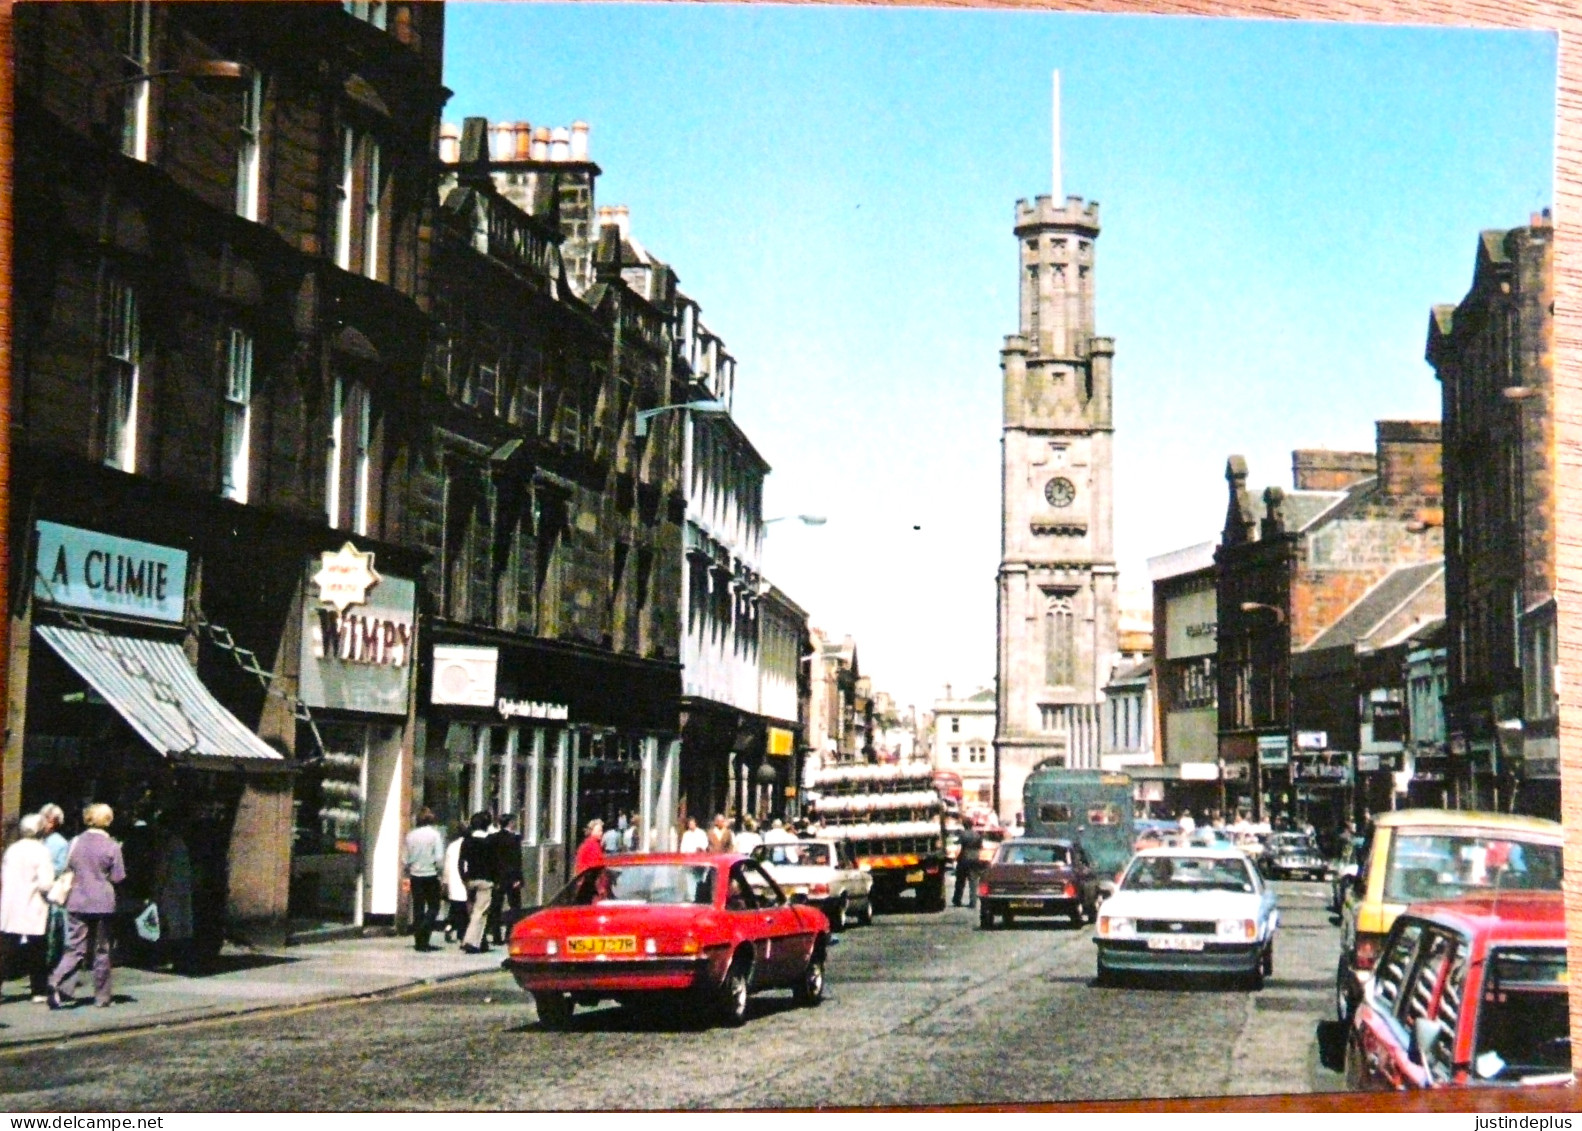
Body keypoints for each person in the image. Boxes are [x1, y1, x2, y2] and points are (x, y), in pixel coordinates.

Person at [49, 802, 126, 1009]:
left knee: (75, 947)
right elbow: (118, 877)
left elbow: (67, 866)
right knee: (102, 950)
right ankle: (102, 997)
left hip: (77, 899)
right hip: (102, 902)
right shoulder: (112, 845)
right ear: (108, 820)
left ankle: (59, 984)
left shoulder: (75, 842)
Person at [1, 814, 55, 1002]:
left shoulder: (12, 850)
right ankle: (38, 991)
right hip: (33, 906)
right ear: (40, 830)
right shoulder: (41, 851)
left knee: (5, 949)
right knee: (37, 950)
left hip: (10, 905)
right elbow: (46, 884)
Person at [403, 808, 446, 952]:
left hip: (415, 876)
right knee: (434, 907)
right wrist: (441, 873)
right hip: (430, 875)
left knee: (418, 908)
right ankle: (424, 932)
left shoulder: (410, 835)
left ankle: (419, 942)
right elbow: (439, 858)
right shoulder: (435, 835)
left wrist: (408, 871)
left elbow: (405, 858)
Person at [457, 811, 497, 954]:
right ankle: (470, 941)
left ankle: (480, 941)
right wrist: (496, 880)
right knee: (480, 912)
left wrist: (463, 878)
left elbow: (461, 862)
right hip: (486, 880)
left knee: (472, 911)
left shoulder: (467, 841)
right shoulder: (491, 841)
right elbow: (495, 863)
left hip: (470, 879)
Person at [37, 804, 70, 971]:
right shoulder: (39, 840)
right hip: (38, 892)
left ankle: (48, 967)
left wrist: (42, 870)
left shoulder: (59, 843)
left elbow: (61, 867)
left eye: (46, 818)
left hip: (50, 892)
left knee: (50, 932)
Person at [489, 813, 524, 947]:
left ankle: (496, 935)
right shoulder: (515, 839)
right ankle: (509, 933)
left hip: (498, 877)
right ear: (510, 823)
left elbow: (492, 860)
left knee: (496, 906)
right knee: (515, 906)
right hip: (511, 877)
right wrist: (518, 878)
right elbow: (517, 860)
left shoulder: (493, 838)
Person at [442, 822, 468, 945]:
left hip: (453, 879)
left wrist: (445, 882)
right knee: (464, 909)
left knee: (455, 906)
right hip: (464, 879)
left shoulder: (452, 846)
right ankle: (461, 933)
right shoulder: (468, 845)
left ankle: (449, 925)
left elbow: (446, 866)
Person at [953, 822, 985, 908]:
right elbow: (981, 847)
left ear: (964, 825)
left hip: (964, 859)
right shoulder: (977, 835)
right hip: (975, 859)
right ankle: (973, 902)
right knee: (973, 882)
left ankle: (957, 900)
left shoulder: (962, 834)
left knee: (960, 881)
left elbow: (957, 844)